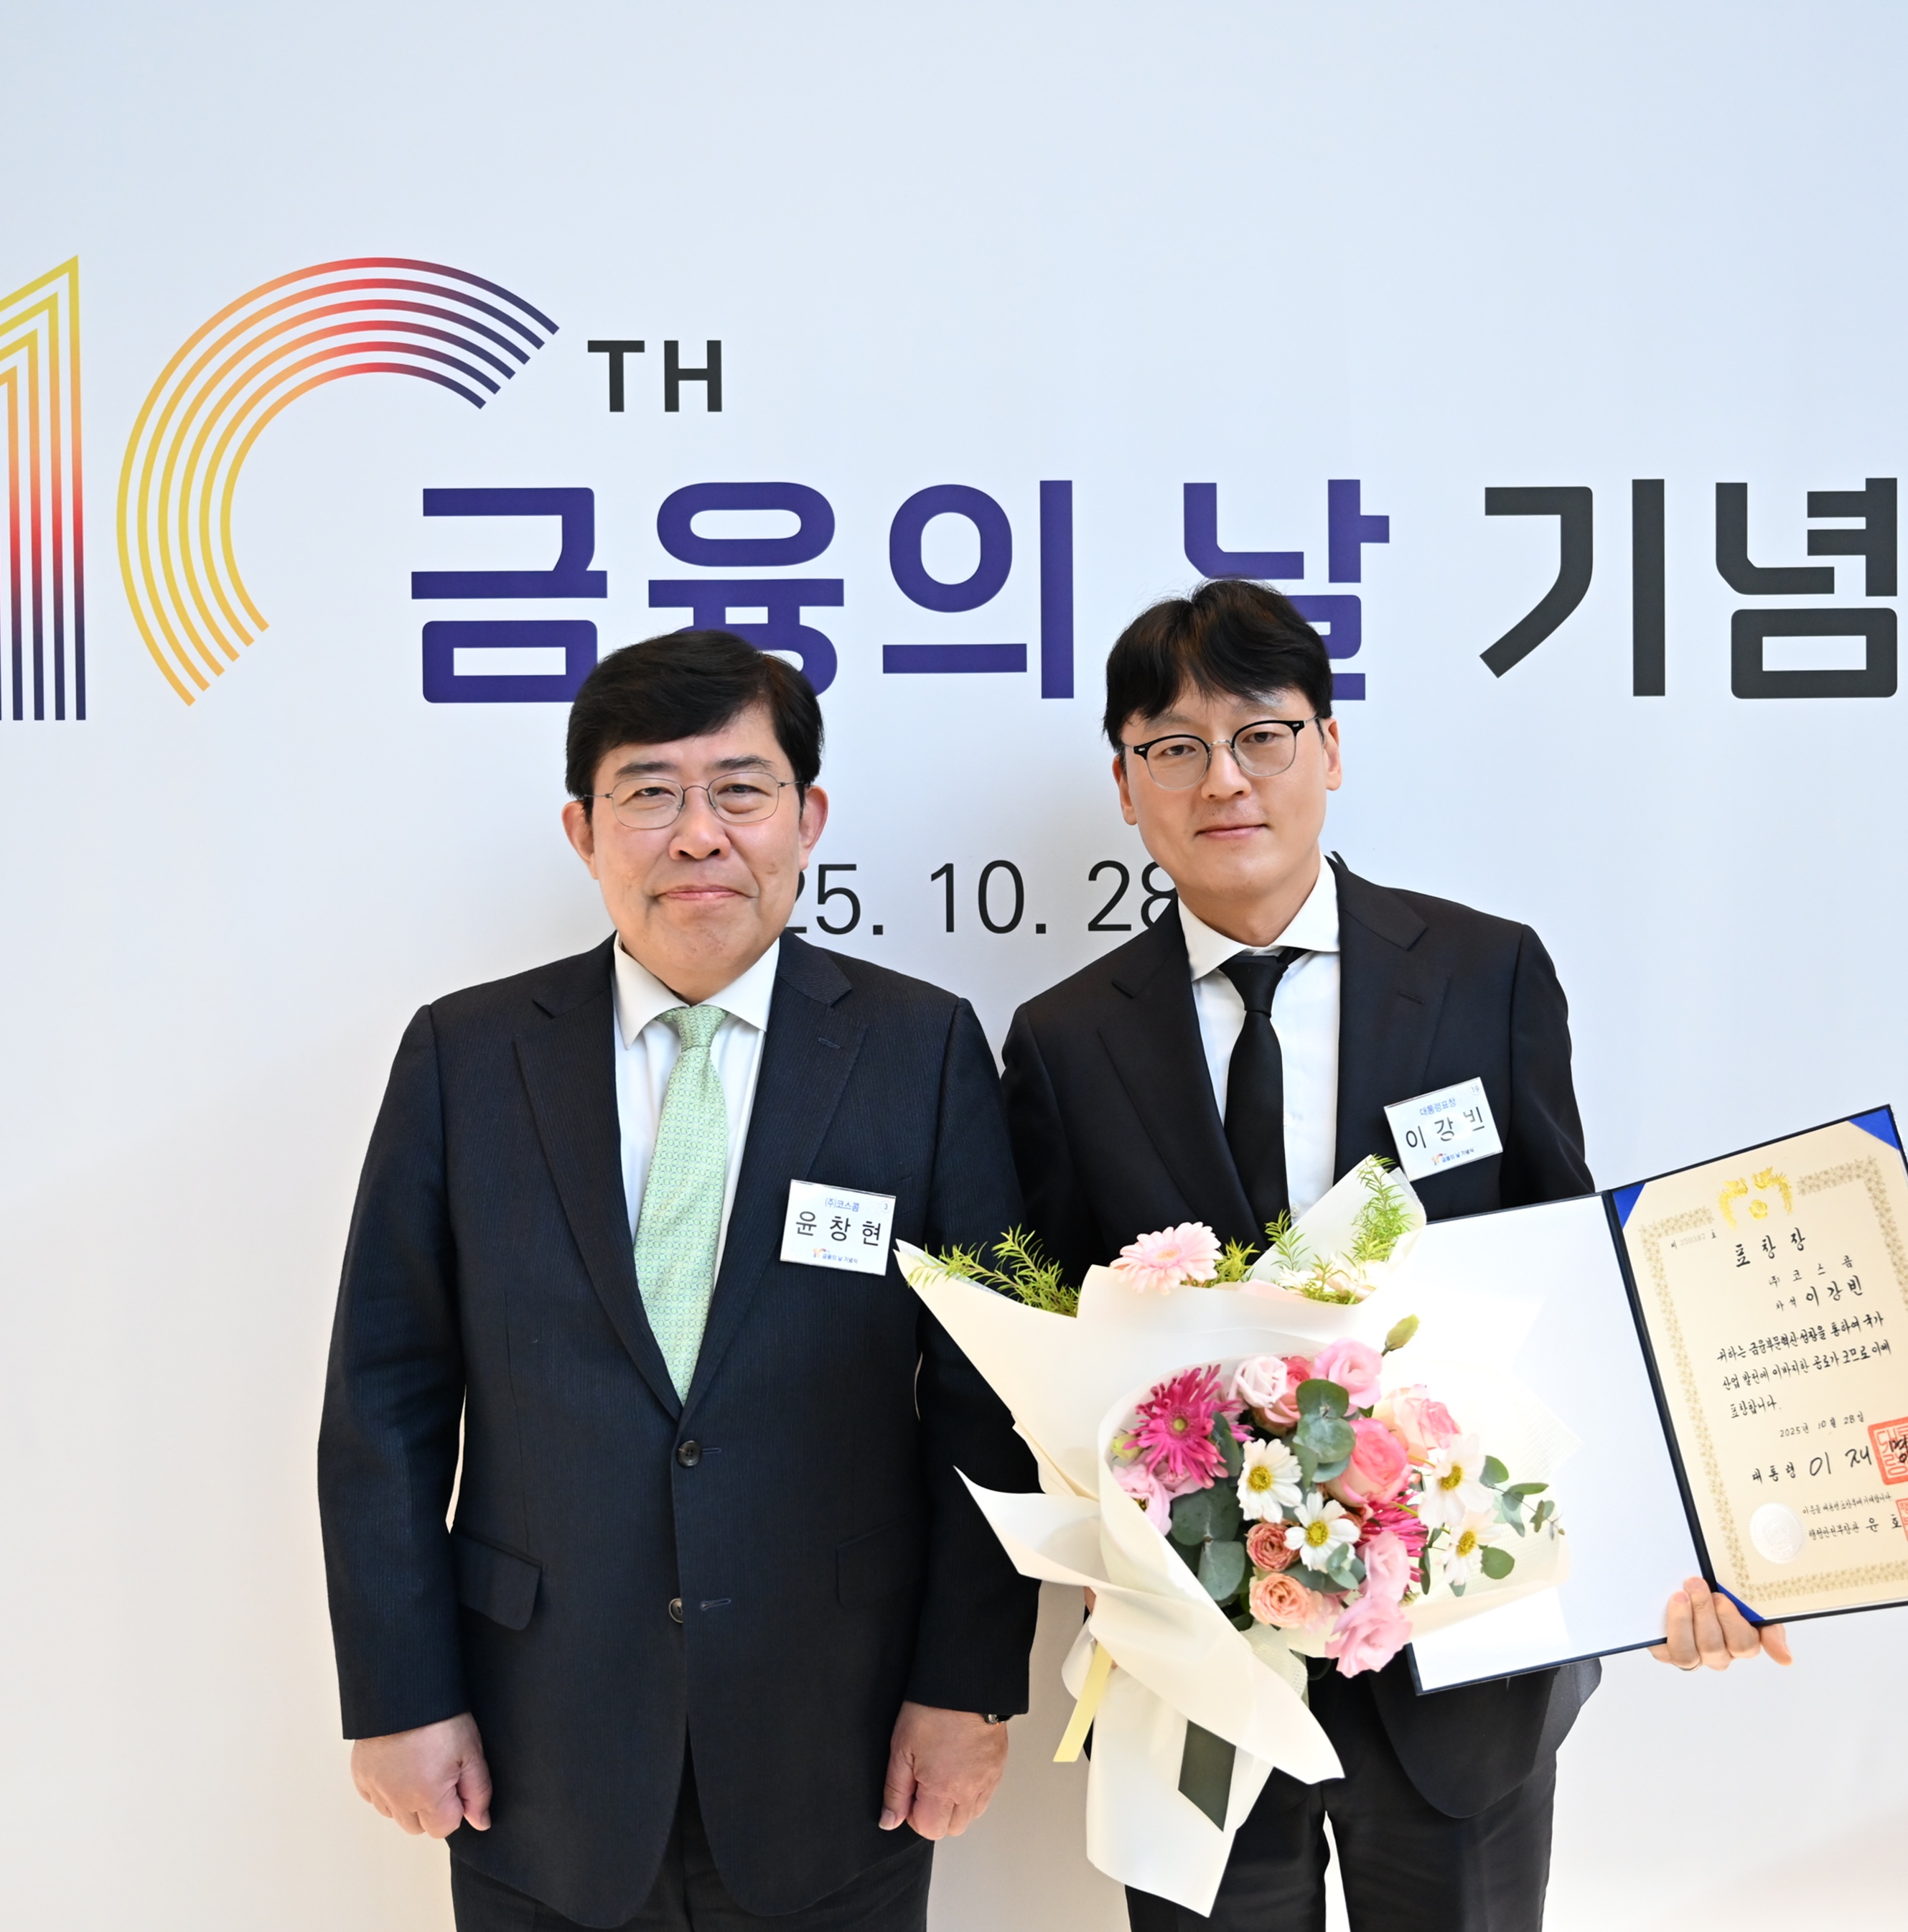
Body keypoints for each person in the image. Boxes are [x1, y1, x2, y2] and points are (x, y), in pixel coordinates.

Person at [1001, 580, 1790, 1932]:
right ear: (1127, 787)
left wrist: (1662, 1552)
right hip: (1200, 1671)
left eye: (1264, 735)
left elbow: (1569, 1280)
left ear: (1330, 748)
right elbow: (1050, 1350)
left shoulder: (1484, 973)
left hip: (1464, 1653)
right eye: (1175, 748)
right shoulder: (1066, 1040)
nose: (1224, 779)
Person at [318, 629, 1042, 1931]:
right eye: (650, 793)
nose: (699, 834)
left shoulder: (921, 1050)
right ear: (583, 830)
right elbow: (386, 1403)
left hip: (843, 1740)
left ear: (808, 819)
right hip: (538, 1746)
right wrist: (399, 1694)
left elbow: (989, 1403)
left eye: (741, 790)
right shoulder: (467, 1058)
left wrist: (967, 1684)